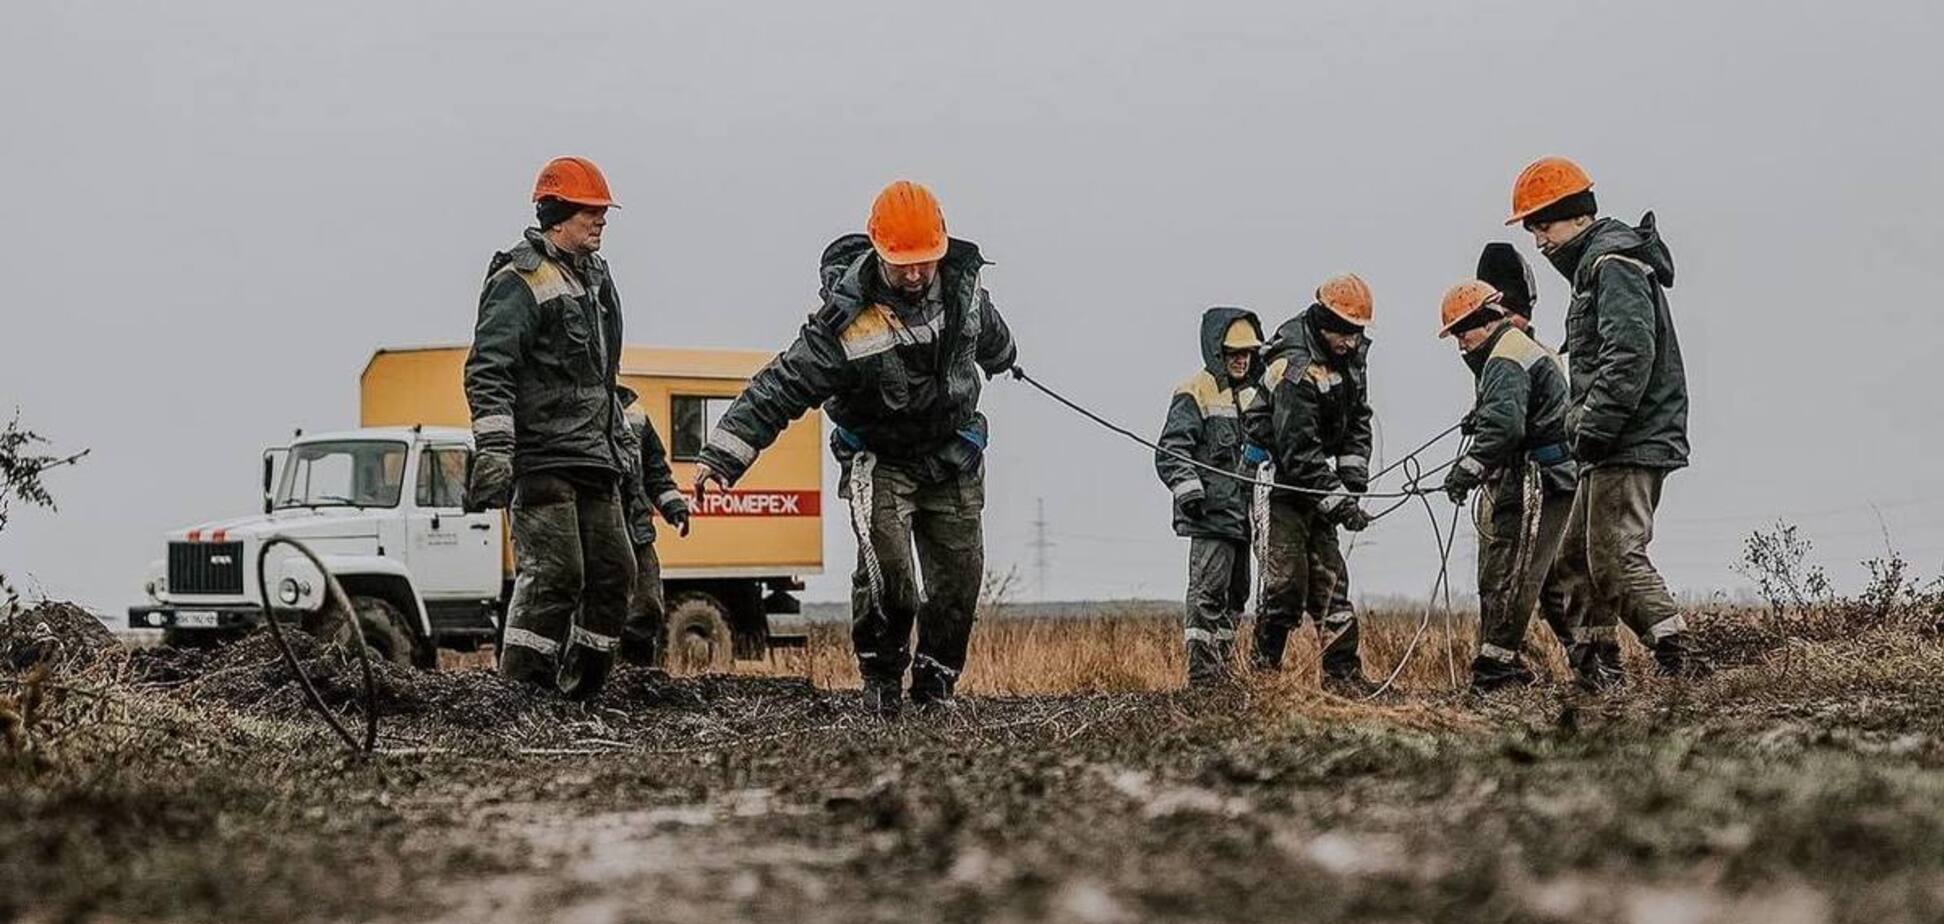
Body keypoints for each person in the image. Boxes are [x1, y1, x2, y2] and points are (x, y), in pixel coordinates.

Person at [690, 180, 1017, 715]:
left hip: (954, 455)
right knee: (892, 583)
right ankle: (882, 678)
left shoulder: (966, 291)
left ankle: (935, 686)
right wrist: (722, 456)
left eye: (924, 262)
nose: (914, 275)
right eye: (901, 263)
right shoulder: (843, 323)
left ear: (941, 249)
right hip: (880, 461)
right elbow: (782, 386)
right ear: (877, 251)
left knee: (959, 583)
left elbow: (991, 335)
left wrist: (1005, 358)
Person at [1507, 156, 1697, 679]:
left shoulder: (1611, 264)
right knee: (1573, 564)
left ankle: (1682, 660)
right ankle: (1599, 669)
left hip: (1627, 439)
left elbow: (1628, 357)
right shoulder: (1595, 267)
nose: (1539, 241)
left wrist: (1592, 428)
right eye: (1531, 230)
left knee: (1614, 555)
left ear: (1575, 217)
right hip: (1608, 441)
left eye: (1542, 225)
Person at [463, 156, 636, 699]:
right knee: (555, 575)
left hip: (594, 454)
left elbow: (602, 378)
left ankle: (583, 694)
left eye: (603, 211)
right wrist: (495, 449)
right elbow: (488, 369)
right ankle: (522, 694)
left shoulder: (597, 279)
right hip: (542, 458)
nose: (602, 220)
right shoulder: (518, 281)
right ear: (558, 214)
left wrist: (621, 441)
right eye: (592, 211)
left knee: (614, 575)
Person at [1436, 280, 1581, 691]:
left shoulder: (1503, 358)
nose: (1461, 344)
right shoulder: (1514, 349)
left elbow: (1504, 429)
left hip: (1537, 480)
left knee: (1511, 571)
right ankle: (1594, 665)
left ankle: (1495, 669)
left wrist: (1467, 469)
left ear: (1483, 322)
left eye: (1462, 332)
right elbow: (1512, 411)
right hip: (1555, 478)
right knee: (1550, 581)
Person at [1241, 275, 1376, 692]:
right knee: (1285, 586)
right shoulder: (1293, 368)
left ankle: (1344, 678)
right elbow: (1298, 453)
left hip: (1320, 481)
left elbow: (1359, 419)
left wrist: (1353, 480)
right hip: (1279, 483)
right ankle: (1263, 680)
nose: (1352, 343)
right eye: (1345, 334)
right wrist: (1339, 502)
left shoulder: (1350, 356)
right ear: (1324, 322)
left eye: (1358, 334)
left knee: (1331, 580)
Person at [1155, 308, 1267, 686]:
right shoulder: (1194, 390)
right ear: (1217, 352)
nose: (1242, 359)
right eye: (1234, 352)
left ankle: (1224, 675)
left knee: (1236, 600)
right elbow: (1171, 450)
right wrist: (1190, 492)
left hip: (1244, 520)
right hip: (1210, 516)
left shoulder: (1256, 396)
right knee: (1206, 597)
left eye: (1248, 352)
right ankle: (1203, 680)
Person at [616, 389, 691, 668]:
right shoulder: (575, 409)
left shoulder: (636, 417)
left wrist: (673, 507)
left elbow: (655, 471)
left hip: (636, 533)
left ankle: (639, 677)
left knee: (647, 607)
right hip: (594, 534)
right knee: (594, 612)